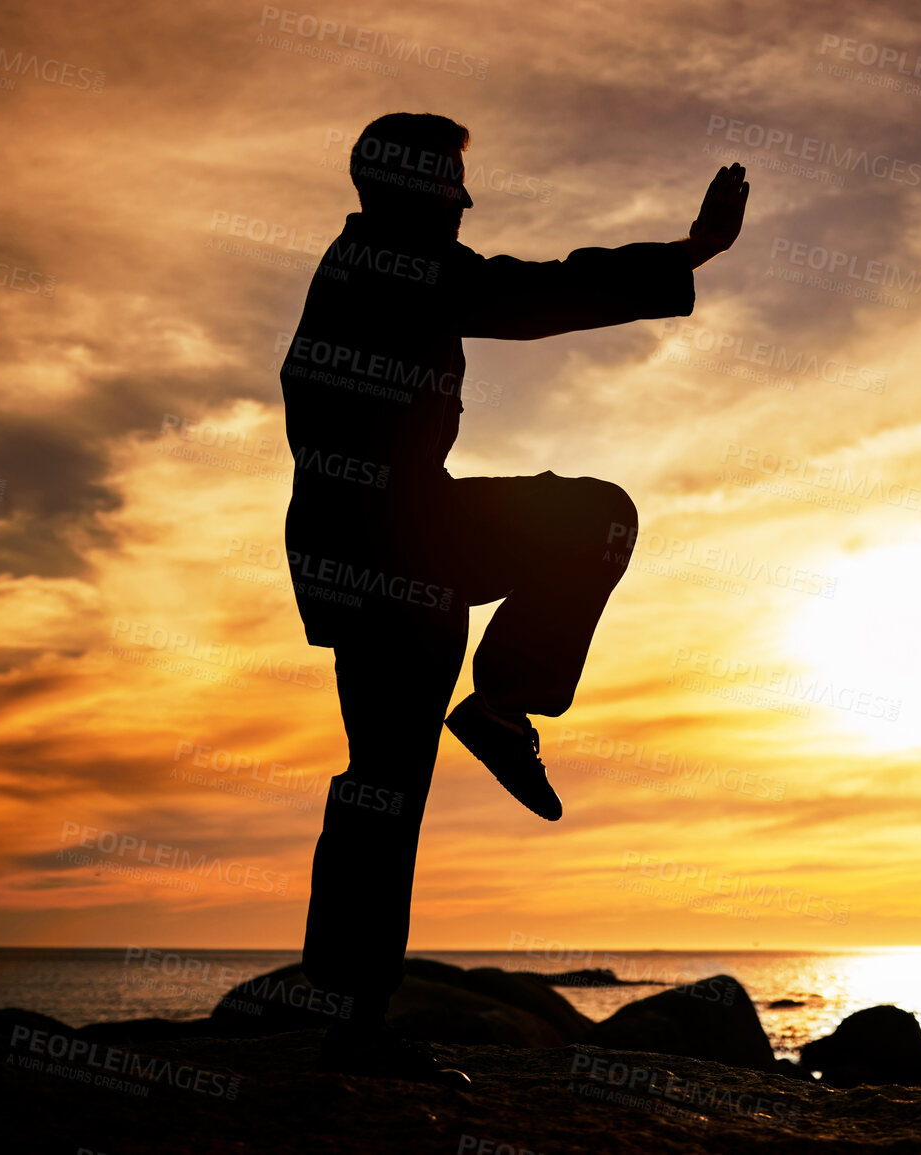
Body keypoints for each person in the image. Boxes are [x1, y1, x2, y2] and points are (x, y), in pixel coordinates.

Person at [279, 111, 748, 1081]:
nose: (468, 198)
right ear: (411, 189)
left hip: (387, 539)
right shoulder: (385, 263)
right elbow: (528, 294)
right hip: (393, 541)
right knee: (594, 518)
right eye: (454, 182)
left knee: (383, 777)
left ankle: (351, 1014)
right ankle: (496, 711)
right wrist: (691, 252)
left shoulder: (371, 263)